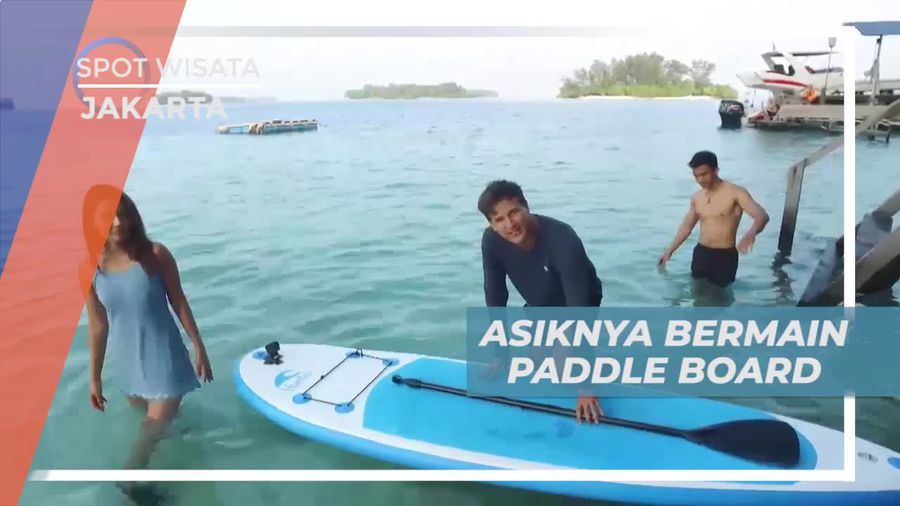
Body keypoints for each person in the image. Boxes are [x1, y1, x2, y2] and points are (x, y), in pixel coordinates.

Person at [80, 185, 213, 478]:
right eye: (108, 217)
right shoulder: (89, 269)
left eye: (124, 214)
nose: (118, 223)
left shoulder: (156, 255)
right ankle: (188, 459)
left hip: (166, 363)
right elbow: (98, 325)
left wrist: (198, 347)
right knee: (157, 430)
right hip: (129, 366)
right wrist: (94, 378)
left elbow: (178, 300)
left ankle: (132, 489)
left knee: (142, 447)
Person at [478, 180, 604, 423]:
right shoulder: (492, 242)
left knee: (563, 371)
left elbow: (580, 313)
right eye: (499, 220)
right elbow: (495, 297)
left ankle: (587, 361)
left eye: (514, 212)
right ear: (492, 225)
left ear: (526, 206)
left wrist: (585, 387)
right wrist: (501, 353)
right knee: (538, 363)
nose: (510, 224)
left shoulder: (563, 240)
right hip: (540, 303)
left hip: (579, 301)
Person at [658, 151, 770, 287]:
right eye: (696, 176)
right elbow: (686, 227)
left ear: (716, 171)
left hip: (724, 256)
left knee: (719, 300)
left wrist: (751, 233)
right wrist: (669, 251)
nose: (700, 180)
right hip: (701, 253)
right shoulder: (697, 197)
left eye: (704, 174)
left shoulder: (736, 193)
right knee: (697, 297)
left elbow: (762, 216)